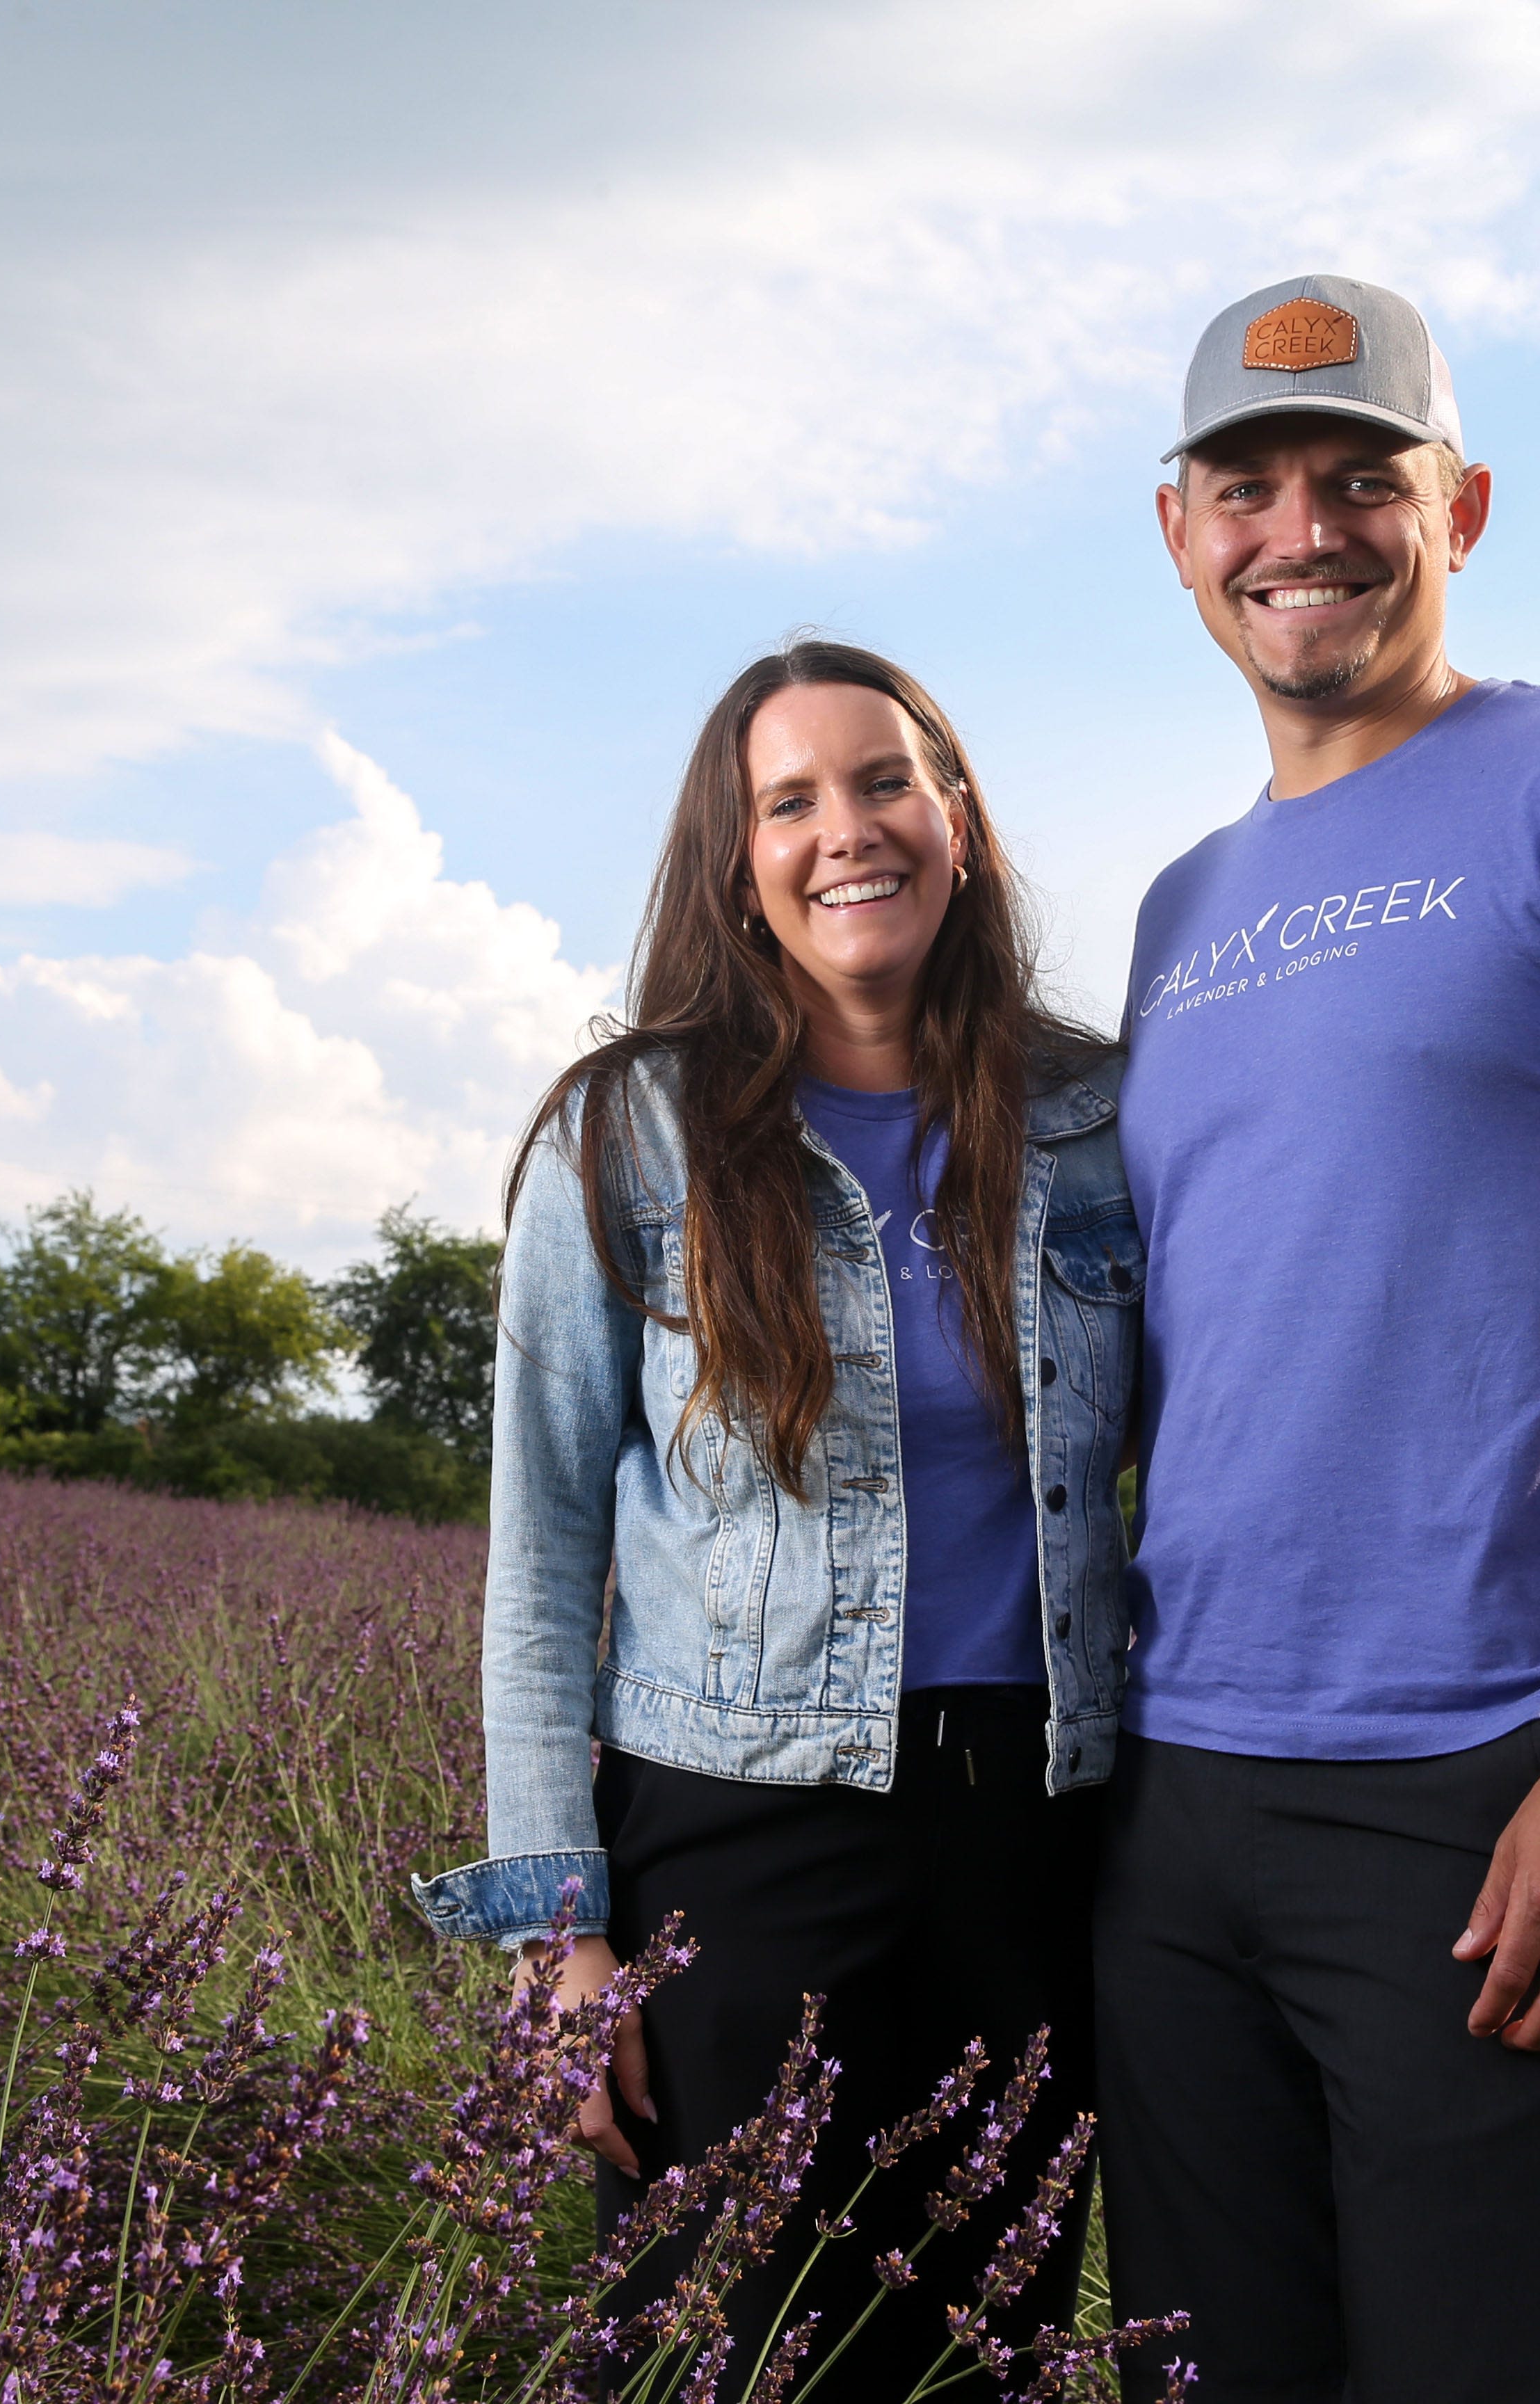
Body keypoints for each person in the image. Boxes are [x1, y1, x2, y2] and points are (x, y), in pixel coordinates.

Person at [1093, 275, 1540, 2404]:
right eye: (1246, 485)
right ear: (1178, 532)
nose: (1297, 528)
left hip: (1485, 1794)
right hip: (1178, 1800)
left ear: (1463, 504)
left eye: (1358, 478)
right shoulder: (1180, 910)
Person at [413, 640, 1141, 2399]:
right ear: (736, 863)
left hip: (1040, 1845)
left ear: (955, 818)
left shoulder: (1099, 1121)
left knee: (982, 2350)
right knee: (720, 2352)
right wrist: (559, 1941)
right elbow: (542, 1567)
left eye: (885, 780)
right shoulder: (630, 1134)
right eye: (790, 801)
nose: (847, 831)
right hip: (736, 1839)